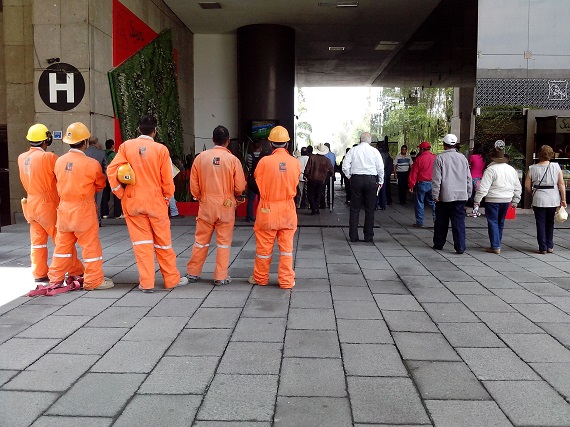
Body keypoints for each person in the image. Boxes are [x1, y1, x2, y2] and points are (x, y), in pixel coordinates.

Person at [107, 115, 188, 292]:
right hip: (156, 201)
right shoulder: (161, 149)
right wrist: (167, 198)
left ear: (139, 129)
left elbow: (111, 171)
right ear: (155, 130)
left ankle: (146, 283)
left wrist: (121, 193)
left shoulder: (126, 147)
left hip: (133, 201)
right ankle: (171, 280)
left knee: (142, 245)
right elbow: (167, 179)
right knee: (164, 243)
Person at [48, 122, 114, 290]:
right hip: (84, 211)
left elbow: (56, 182)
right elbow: (100, 184)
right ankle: (93, 280)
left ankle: (55, 279)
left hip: (64, 211)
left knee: (62, 248)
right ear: (85, 142)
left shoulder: (59, 161)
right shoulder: (91, 164)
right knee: (91, 247)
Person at [18, 124, 83, 283]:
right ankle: (75, 270)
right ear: (46, 140)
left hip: (30, 202)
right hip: (46, 203)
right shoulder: (48, 157)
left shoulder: (21, 157)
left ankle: (39, 272)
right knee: (62, 239)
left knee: (37, 241)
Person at [186, 125, 246, 285]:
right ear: (227, 141)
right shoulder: (233, 160)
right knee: (224, 243)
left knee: (201, 240)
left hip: (206, 205)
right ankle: (220, 276)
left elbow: (194, 186)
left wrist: (201, 197)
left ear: (213, 140)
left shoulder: (200, 158)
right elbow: (239, 187)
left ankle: (193, 272)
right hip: (226, 206)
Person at [248, 126, 300, 289]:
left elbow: (255, 181)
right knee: (286, 250)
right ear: (287, 144)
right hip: (287, 211)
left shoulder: (264, 162)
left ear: (270, 144)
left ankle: (261, 278)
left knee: (263, 249)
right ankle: (286, 281)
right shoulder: (295, 163)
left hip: (267, 210)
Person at [473, 140, 522, 254]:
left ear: (493, 158)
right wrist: (516, 200)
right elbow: (517, 186)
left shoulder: (491, 170)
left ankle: (495, 245)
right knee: (500, 222)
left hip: (493, 199)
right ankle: (497, 243)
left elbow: (483, 188)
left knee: (493, 222)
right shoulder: (511, 170)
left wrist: (477, 201)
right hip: (506, 199)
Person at [432, 134, 472, 254]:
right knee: (459, 222)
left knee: (441, 221)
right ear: (455, 145)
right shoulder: (463, 158)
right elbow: (468, 178)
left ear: (444, 145)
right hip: (460, 196)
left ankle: (439, 243)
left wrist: (435, 194)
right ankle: (460, 247)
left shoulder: (440, 158)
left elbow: (436, 179)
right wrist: (468, 193)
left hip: (445, 195)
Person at [342, 132, 384, 243]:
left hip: (356, 179)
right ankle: (368, 236)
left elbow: (345, 165)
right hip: (371, 180)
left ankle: (353, 236)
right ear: (370, 140)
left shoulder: (353, 150)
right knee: (370, 209)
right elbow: (380, 168)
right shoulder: (374, 151)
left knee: (355, 209)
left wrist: (349, 176)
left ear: (360, 140)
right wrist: (381, 180)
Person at [525, 145, 567, 254]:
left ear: (539, 155)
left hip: (539, 198)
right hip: (553, 198)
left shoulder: (532, 168)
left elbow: (527, 186)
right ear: (551, 154)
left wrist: (533, 193)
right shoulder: (556, 167)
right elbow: (561, 184)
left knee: (540, 223)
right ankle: (550, 246)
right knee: (550, 222)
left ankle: (542, 247)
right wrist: (563, 199)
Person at [408, 141, 436, 227]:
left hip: (422, 183)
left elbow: (414, 173)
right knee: (433, 203)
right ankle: (437, 221)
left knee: (420, 202)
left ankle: (419, 222)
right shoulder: (435, 158)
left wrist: (411, 185)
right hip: (433, 183)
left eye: (419, 148)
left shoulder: (419, 159)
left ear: (422, 149)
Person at [304, 143, 334, 215]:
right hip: (321, 179)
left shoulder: (312, 157)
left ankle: (313, 208)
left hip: (312, 178)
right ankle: (316, 208)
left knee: (310, 194)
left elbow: (307, 168)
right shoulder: (327, 160)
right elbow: (331, 170)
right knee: (319, 194)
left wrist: (306, 175)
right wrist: (330, 174)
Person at [85, 136, 107, 226]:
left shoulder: (84, 153)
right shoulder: (101, 153)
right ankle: (98, 221)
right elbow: (106, 168)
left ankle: (88, 221)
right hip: (98, 180)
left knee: (87, 202)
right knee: (98, 202)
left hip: (86, 181)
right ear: (96, 143)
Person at [101, 139, 123, 219]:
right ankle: (117, 213)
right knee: (116, 195)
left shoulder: (102, 153)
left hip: (104, 177)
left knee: (105, 196)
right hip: (113, 177)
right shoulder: (114, 154)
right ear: (112, 146)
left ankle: (104, 213)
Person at [245, 140, 263, 222]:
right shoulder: (264, 157)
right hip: (261, 179)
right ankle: (261, 216)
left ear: (253, 147)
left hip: (252, 178)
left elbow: (249, 166)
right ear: (260, 147)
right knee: (261, 199)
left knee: (251, 199)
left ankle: (249, 217)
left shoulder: (249, 156)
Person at [468, 143, 485, 207]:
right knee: (478, 193)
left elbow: (468, 164)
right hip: (480, 177)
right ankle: (477, 207)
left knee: (471, 193)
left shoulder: (472, 157)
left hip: (472, 177)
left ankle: (472, 206)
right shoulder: (483, 158)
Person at [377, 140, 393, 209]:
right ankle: (383, 204)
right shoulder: (387, 154)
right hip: (385, 174)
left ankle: (376, 204)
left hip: (378, 173)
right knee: (383, 189)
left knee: (377, 189)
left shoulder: (377, 153)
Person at [323, 142, 336, 208]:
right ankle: (330, 202)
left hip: (324, 173)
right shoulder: (333, 155)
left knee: (322, 188)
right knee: (331, 189)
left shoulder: (323, 155)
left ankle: (322, 203)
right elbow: (334, 164)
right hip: (331, 173)